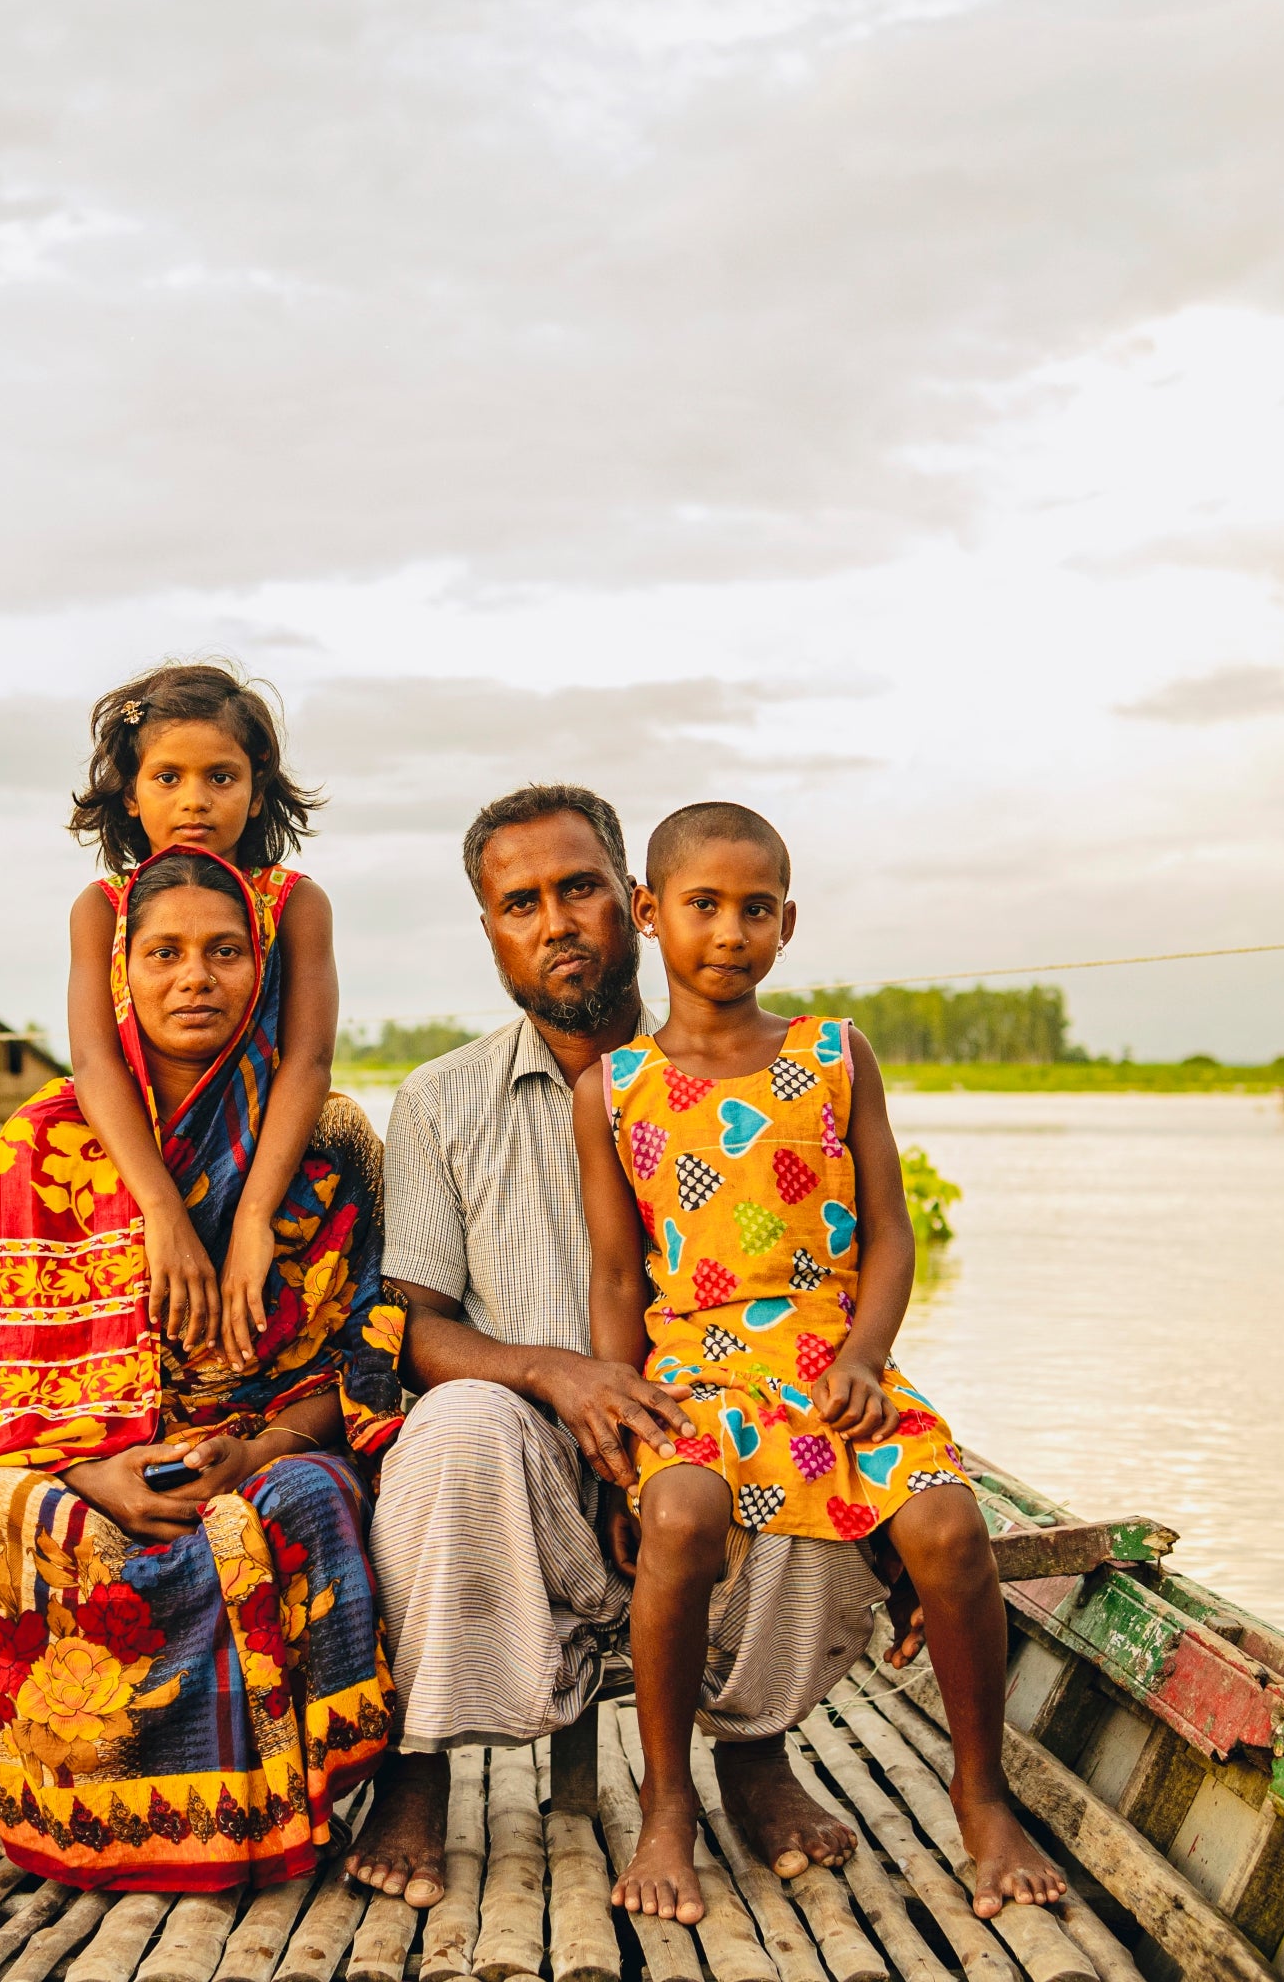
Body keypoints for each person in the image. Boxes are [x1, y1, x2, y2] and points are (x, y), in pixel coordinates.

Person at [345, 785, 882, 1911]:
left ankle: (750, 1747)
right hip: (525, 1469)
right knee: (451, 1426)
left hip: (705, 1431)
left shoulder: (747, 1072)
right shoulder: (441, 1100)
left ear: (633, 902)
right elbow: (407, 1325)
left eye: (578, 887)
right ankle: (416, 1765)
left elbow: (842, 1269)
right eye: (519, 901)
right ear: (488, 927)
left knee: (803, 1421)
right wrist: (559, 1372)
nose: (555, 921)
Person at [0, 847, 406, 1892]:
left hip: (258, 1450)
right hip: (91, 1462)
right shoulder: (41, 1146)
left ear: (264, 970)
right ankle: (82, 1812)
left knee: (306, 1502)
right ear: (121, 974)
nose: (193, 977)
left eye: (224, 952)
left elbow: (363, 1361)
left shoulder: (324, 1153)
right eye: (162, 953)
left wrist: (256, 1444)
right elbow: (0, 1396)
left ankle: (264, 1807)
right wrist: (88, 1476)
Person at [580, 801, 1063, 1923]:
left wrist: (866, 1351)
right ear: (652, 914)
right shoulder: (611, 1088)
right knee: (685, 1510)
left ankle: (981, 1797)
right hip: (695, 1376)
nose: (729, 930)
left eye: (755, 908)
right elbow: (616, 1276)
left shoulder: (836, 1056)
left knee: (946, 1524)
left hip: (829, 1367)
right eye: (702, 905)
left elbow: (891, 1230)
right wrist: (618, 1439)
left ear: (787, 922)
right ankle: (666, 1806)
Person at [66, 662, 339, 1369]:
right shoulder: (104, 910)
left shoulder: (293, 904)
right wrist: (160, 1210)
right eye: (168, 778)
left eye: (221, 777)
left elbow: (306, 1060)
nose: (196, 801)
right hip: (137, 1150)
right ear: (129, 795)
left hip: (264, 1153)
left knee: (347, 1146)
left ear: (255, 793)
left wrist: (253, 1215)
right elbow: (96, 1061)